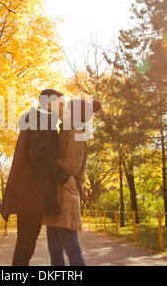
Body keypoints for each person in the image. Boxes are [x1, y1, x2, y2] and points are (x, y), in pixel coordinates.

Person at [0, 89, 71, 266]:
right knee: (25, 246)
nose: (64, 108)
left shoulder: (37, 119)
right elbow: (39, 155)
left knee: (25, 245)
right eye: (61, 104)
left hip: (27, 192)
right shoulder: (45, 119)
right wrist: (64, 176)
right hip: (31, 194)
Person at [42, 99, 102, 266]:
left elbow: (72, 167)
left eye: (67, 108)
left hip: (66, 196)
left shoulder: (77, 135)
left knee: (72, 250)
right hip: (55, 195)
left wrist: (46, 162)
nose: (64, 111)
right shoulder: (65, 134)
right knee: (54, 250)